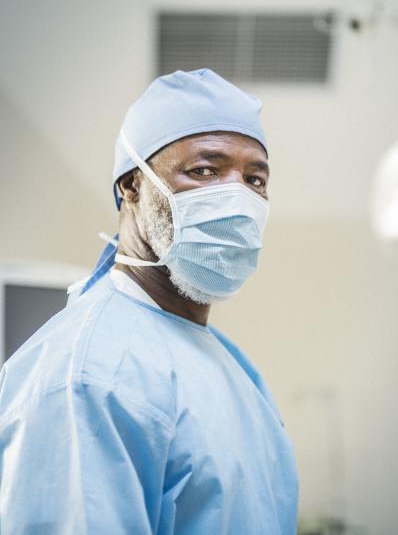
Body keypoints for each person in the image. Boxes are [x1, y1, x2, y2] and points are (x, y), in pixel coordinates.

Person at [0, 69, 299, 534]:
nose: (237, 197)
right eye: (204, 170)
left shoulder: (225, 363)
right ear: (132, 186)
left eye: (255, 179)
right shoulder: (89, 378)